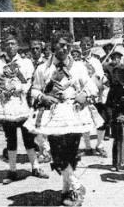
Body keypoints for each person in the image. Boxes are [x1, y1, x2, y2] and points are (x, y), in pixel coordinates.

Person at [25, 30, 99, 206]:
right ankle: (77, 185)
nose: (65, 48)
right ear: (53, 45)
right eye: (61, 44)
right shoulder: (43, 68)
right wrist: (43, 97)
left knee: (70, 154)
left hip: (75, 114)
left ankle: (67, 192)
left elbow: (93, 88)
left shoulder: (78, 67)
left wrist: (85, 96)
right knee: (57, 155)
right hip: (53, 116)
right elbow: (34, 90)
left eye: (68, 45)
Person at [0, 34, 47, 185]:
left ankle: (36, 167)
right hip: (6, 105)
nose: (10, 47)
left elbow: (29, 82)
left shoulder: (25, 62)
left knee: (28, 136)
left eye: (13, 43)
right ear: (3, 46)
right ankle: (13, 170)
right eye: (7, 44)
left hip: (21, 103)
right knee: (11, 138)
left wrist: (19, 88)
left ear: (17, 46)